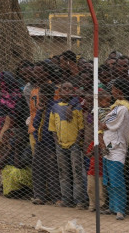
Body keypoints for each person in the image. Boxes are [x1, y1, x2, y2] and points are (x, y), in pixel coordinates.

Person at [101, 79, 129, 220]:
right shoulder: (115, 107)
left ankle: (120, 209)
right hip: (109, 145)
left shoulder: (122, 108)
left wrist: (101, 124)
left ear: (120, 91)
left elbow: (106, 124)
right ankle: (112, 207)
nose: (112, 91)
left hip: (117, 146)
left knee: (116, 179)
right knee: (109, 180)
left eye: (114, 89)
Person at [48, 81, 86, 209]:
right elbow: (52, 127)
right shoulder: (55, 107)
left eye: (70, 89)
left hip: (74, 144)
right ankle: (66, 198)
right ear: (60, 91)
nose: (67, 91)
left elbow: (81, 127)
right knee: (63, 172)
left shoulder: (77, 107)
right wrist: (56, 141)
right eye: (64, 88)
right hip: (60, 144)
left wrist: (77, 141)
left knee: (77, 172)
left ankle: (79, 200)